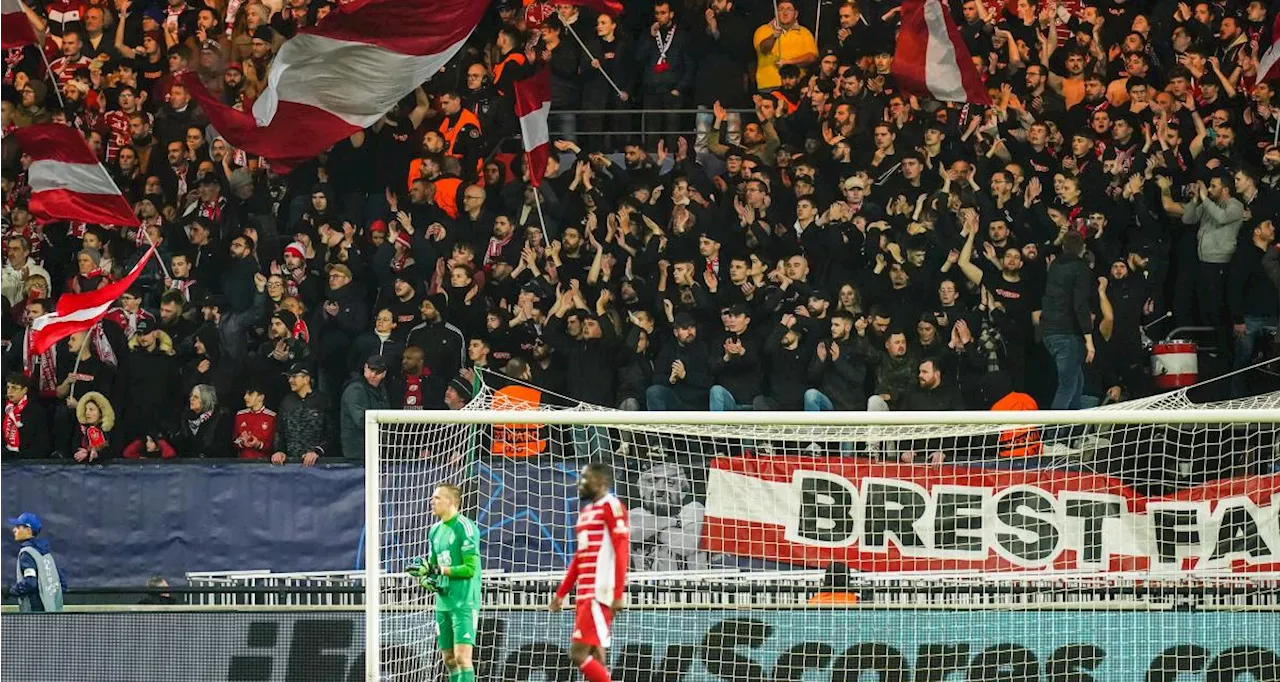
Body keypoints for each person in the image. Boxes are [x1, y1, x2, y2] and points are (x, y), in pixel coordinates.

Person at [550, 462, 629, 682]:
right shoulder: (586, 513)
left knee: (578, 654)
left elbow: (622, 550)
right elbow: (579, 557)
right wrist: (562, 592)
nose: (580, 482)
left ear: (601, 483)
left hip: (599, 592)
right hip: (584, 593)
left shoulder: (612, 507)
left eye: (586, 478)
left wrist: (617, 594)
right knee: (596, 656)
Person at [407, 484, 481, 682]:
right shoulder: (434, 531)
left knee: (462, 658)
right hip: (443, 602)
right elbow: (431, 565)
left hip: (464, 601)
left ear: (451, 501)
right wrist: (426, 579)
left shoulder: (465, 527)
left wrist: (438, 570)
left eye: (437, 498)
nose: (432, 502)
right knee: (448, 659)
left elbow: (469, 569)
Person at [8, 512, 65, 612]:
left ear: (28, 530)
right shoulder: (46, 553)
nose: (14, 530)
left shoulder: (27, 554)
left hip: (35, 611)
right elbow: (62, 583)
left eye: (18, 527)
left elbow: (30, 583)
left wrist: (11, 591)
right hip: (54, 610)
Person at [339, 354, 390, 460]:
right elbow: (362, 420)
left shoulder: (381, 390)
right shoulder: (355, 389)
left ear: (384, 374)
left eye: (378, 372)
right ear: (365, 368)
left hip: (377, 450)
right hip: (358, 454)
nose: (373, 375)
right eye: (371, 370)